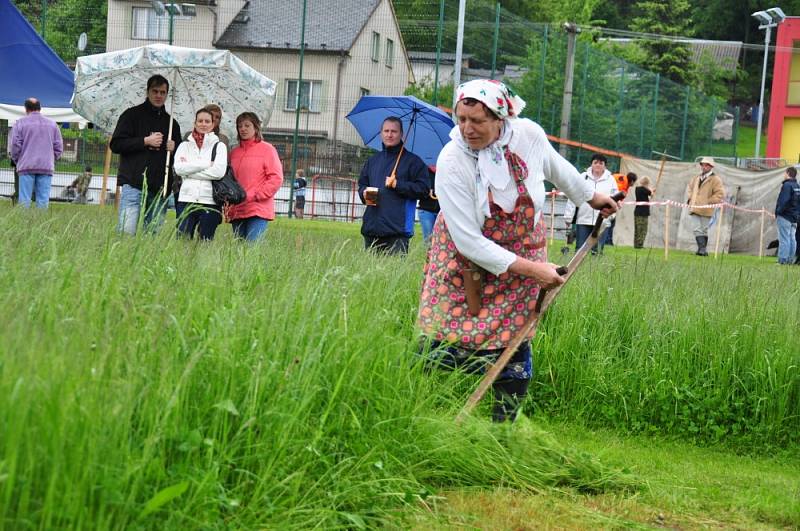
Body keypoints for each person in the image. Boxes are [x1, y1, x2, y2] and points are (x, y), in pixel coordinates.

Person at [417, 79, 618, 422]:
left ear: (500, 119)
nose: (467, 129)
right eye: (461, 119)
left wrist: (590, 196)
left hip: (524, 253)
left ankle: (503, 427)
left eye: (477, 121)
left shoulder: (527, 135)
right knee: (445, 339)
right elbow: (468, 241)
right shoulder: (452, 160)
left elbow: (556, 167)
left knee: (515, 339)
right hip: (465, 262)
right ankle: (423, 413)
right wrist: (532, 270)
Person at [110, 74, 182, 235]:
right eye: (155, 91)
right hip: (134, 182)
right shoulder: (131, 115)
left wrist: (175, 148)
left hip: (160, 186)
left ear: (167, 94)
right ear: (148, 91)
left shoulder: (172, 124)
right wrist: (144, 141)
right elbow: (116, 144)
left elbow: (182, 158)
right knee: (126, 232)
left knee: (151, 236)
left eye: (162, 92)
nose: (158, 96)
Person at [357, 117, 430, 255]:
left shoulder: (413, 162)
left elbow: (424, 189)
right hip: (371, 228)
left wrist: (398, 184)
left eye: (394, 131)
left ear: (401, 134)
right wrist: (364, 193)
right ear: (381, 133)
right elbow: (362, 184)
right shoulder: (373, 161)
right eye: (386, 131)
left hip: (397, 231)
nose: (389, 135)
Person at [227, 112, 283, 241]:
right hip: (238, 207)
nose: (243, 129)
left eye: (247, 125)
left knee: (252, 248)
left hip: (258, 207)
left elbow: (276, 177)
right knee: (238, 251)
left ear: (256, 128)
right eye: (240, 126)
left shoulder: (267, 149)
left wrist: (257, 195)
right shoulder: (234, 152)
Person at [173, 108, 227, 240]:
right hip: (186, 199)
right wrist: (206, 164)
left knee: (205, 241)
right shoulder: (184, 146)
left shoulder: (219, 146)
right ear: (195, 123)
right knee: (182, 240)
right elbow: (179, 169)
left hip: (210, 200)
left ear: (213, 125)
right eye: (200, 121)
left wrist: (189, 172)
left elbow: (218, 172)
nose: (203, 124)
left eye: (207, 121)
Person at [10, 97, 63, 209]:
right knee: (43, 199)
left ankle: (23, 224)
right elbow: (58, 147)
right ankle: (41, 223)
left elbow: (15, 145)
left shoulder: (20, 124)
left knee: (24, 199)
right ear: (40, 108)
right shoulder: (53, 125)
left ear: (26, 109)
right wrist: (51, 158)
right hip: (46, 165)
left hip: (26, 165)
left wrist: (17, 160)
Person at [563, 153, 618, 254]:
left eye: (601, 163)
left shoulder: (611, 180)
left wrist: (611, 216)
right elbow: (572, 196)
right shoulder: (582, 177)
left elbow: (615, 199)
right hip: (583, 219)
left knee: (597, 251)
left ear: (605, 166)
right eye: (595, 162)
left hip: (602, 220)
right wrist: (568, 217)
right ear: (591, 164)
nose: (598, 165)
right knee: (580, 249)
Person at [686, 156, 725, 256]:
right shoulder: (696, 178)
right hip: (694, 207)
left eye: (706, 165)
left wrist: (709, 201)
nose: (704, 167)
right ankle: (702, 249)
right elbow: (690, 188)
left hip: (706, 209)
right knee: (697, 228)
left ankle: (702, 250)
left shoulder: (716, 180)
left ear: (711, 166)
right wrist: (691, 198)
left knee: (704, 229)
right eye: (702, 165)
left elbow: (720, 194)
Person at [774, 166, 800, 265]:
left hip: (785, 216)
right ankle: (790, 260)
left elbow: (783, 201)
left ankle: (782, 260)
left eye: (785, 173)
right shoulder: (797, 186)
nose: (784, 175)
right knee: (792, 238)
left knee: (784, 238)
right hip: (794, 217)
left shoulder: (787, 186)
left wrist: (778, 212)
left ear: (788, 173)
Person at [417, 165, 440, 244]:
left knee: (441, 240)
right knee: (428, 240)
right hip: (426, 210)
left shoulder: (445, 170)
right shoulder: (423, 171)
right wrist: (426, 191)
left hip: (442, 211)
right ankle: (427, 256)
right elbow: (417, 189)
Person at [633, 176, 654, 249]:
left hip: (637, 211)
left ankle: (636, 244)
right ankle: (640, 245)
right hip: (643, 212)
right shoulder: (644, 189)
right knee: (643, 229)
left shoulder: (637, 189)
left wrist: (651, 191)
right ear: (646, 183)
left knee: (637, 229)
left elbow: (649, 195)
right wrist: (651, 191)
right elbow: (650, 193)